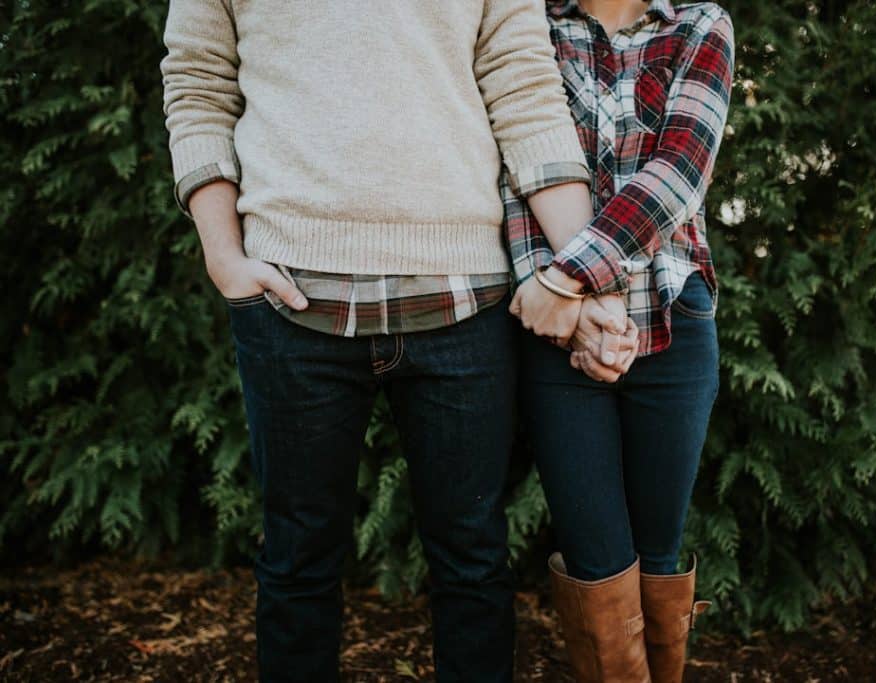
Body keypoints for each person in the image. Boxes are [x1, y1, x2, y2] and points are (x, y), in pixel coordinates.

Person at [159, 1, 622, 680]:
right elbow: (197, 83)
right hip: (292, 302)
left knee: (472, 564)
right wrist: (223, 257)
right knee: (297, 562)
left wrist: (588, 274)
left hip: (464, 302)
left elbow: (524, 92)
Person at [505, 1, 735, 680]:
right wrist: (568, 309)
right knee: (597, 562)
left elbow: (679, 174)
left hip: (672, 317)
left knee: (658, 557)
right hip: (559, 334)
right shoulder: (529, 25)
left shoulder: (698, 24)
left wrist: (571, 281)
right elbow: (515, 169)